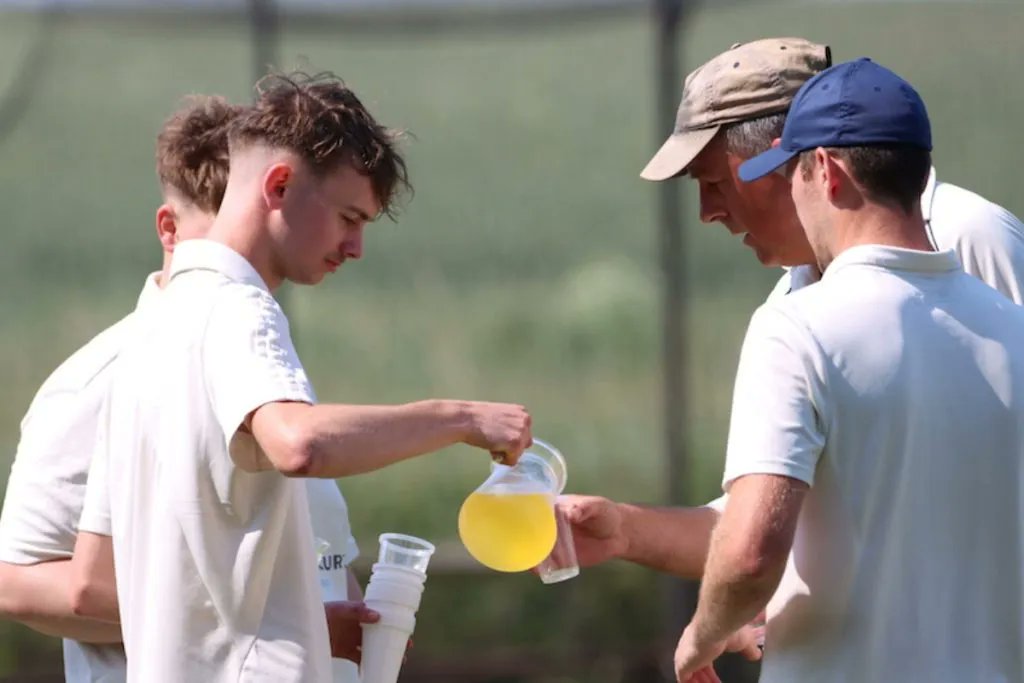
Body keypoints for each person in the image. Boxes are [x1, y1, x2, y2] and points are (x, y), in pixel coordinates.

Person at [70, 72, 533, 683]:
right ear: (280, 185)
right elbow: (300, 443)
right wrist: (463, 418)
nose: (357, 246)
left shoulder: (149, 331)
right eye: (347, 217)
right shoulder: (240, 308)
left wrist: (301, 617)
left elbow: (103, 565)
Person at [559, 36, 1024, 583]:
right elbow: (761, 530)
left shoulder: (969, 235)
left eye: (713, 181)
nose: (708, 212)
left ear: (786, 157)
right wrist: (624, 530)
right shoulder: (796, 298)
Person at [673, 57, 1024, 683]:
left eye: (795, 172)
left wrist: (704, 633)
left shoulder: (796, 328)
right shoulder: (1013, 331)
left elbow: (753, 554)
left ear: (826, 172)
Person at [0, 95, 241, 681]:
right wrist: (246, 620)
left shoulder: (268, 372)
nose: (242, 270)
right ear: (170, 230)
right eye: (225, 245)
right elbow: (15, 582)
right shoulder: (94, 383)